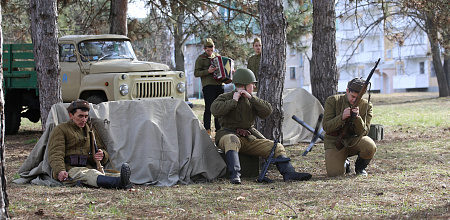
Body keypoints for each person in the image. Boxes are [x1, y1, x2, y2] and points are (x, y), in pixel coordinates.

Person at [211, 68, 312, 184]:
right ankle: (235, 175)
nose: (254, 87)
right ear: (243, 85)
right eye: (252, 84)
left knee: (276, 147)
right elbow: (215, 111)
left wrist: (251, 98)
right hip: (228, 134)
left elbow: (267, 111)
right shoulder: (225, 98)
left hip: (248, 137)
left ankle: (289, 173)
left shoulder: (252, 100)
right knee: (232, 140)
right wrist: (233, 101)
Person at [48, 99, 132, 189]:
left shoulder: (90, 130)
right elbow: (55, 154)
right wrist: (60, 171)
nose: (84, 120)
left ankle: (122, 181)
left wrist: (102, 155)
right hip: (69, 169)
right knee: (89, 175)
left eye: (86, 116)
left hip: (88, 167)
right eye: (80, 116)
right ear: (71, 115)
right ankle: (119, 184)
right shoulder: (61, 129)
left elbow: (101, 149)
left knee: (111, 174)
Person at [322, 78, 377, 177]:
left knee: (370, 146)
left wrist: (358, 118)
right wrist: (341, 117)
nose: (355, 100)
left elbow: (364, 132)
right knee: (334, 174)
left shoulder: (367, 106)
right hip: (334, 141)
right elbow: (326, 127)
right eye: (353, 96)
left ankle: (360, 168)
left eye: (358, 98)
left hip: (354, 140)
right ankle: (345, 163)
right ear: (347, 91)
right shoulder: (333, 101)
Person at [194, 38, 224, 136]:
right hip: (208, 85)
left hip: (219, 85)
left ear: (214, 48)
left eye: (211, 50)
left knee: (219, 108)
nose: (210, 52)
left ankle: (219, 130)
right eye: (208, 50)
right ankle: (207, 130)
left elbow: (223, 67)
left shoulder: (218, 57)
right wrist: (208, 71)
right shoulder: (200, 58)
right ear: (204, 49)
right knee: (209, 108)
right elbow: (196, 73)